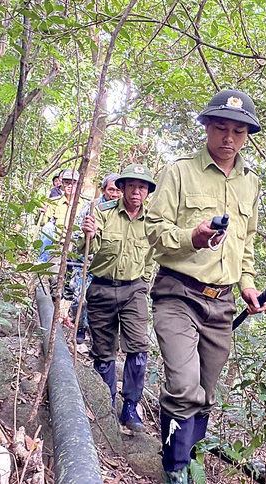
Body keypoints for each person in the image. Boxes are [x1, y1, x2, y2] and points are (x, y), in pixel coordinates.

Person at [145, 90, 266, 483]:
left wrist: (247, 284)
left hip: (223, 303)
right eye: (220, 127)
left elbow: (245, 243)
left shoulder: (251, 183)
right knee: (183, 386)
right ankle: (175, 470)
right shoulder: (179, 171)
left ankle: (189, 457)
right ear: (207, 128)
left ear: (247, 134)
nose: (228, 138)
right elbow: (153, 230)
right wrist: (192, 238)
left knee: (205, 393)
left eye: (238, 130)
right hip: (178, 293)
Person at [77, 164, 156, 433]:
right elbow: (89, 250)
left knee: (138, 349)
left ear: (147, 192)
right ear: (121, 188)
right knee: (103, 351)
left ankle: (130, 406)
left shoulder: (152, 221)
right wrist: (88, 234)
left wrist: (143, 282)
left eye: (142, 187)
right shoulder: (102, 213)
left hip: (134, 290)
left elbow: (151, 257)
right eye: (131, 185)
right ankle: (106, 402)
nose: (136, 191)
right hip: (101, 288)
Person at [68, 172, 122, 343]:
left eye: (118, 190)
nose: (114, 194)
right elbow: (77, 234)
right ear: (103, 189)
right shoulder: (90, 207)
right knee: (81, 298)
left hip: (107, 265)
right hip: (84, 262)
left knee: (101, 303)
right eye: (111, 189)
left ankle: (94, 333)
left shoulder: (122, 210)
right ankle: (80, 327)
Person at [38, 168, 79, 264]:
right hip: (59, 245)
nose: (69, 186)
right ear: (62, 184)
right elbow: (43, 222)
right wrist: (41, 212)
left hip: (78, 246)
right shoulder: (55, 202)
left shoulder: (86, 203)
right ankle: (42, 262)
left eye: (73, 183)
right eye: (66, 183)